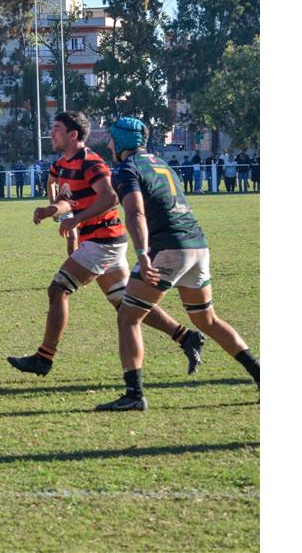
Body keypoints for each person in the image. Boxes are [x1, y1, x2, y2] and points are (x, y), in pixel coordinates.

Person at [8, 112, 204, 378]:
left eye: (57, 128)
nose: (51, 133)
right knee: (126, 303)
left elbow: (110, 197)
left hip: (103, 240)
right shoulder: (62, 165)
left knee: (58, 289)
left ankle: (44, 358)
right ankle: (186, 337)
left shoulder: (91, 163)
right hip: (102, 240)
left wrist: (76, 219)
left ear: (73, 135)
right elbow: (70, 200)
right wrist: (52, 210)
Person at [96, 118, 260, 411]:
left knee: (128, 317)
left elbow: (135, 213)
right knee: (207, 320)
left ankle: (134, 395)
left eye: (111, 138)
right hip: (197, 245)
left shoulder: (127, 169)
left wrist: (142, 253)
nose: (108, 144)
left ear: (121, 141)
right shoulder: (160, 163)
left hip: (168, 249)